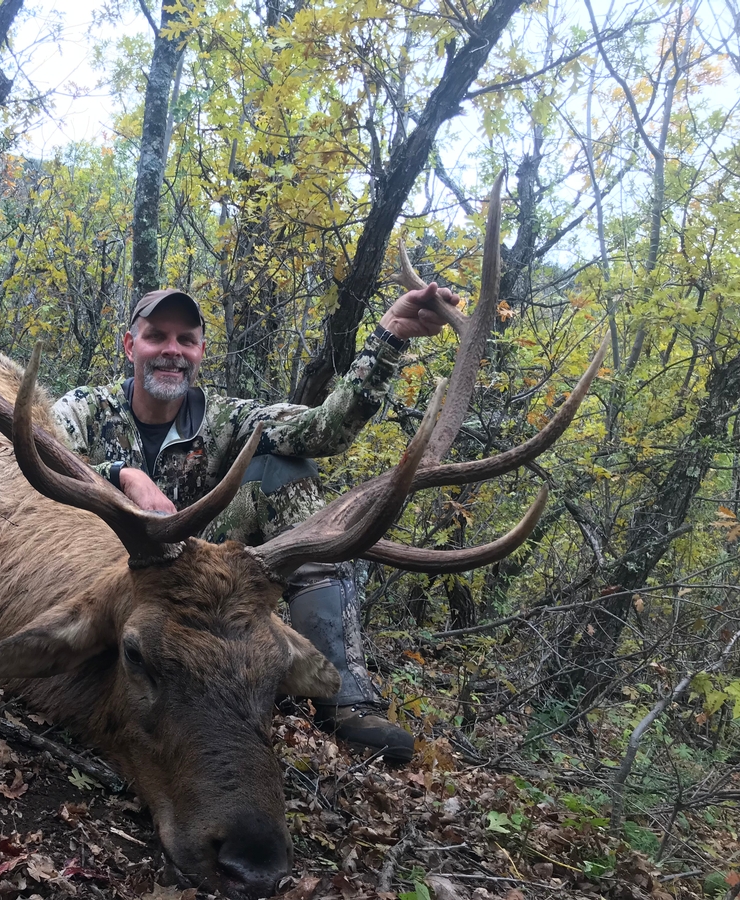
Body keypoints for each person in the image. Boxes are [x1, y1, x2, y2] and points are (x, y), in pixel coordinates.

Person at [51, 284, 459, 764]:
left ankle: (344, 699)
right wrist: (125, 476)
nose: (171, 351)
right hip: (107, 577)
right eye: (156, 336)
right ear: (129, 345)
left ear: (201, 351)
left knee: (289, 474)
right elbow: (48, 463)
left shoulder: (228, 418)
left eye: (186, 339)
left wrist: (390, 337)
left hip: (211, 591)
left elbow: (326, 429)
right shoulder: (82, 409)